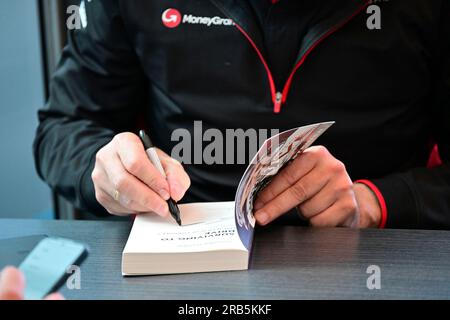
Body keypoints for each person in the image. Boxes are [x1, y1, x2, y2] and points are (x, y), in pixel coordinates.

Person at [34, 0, 450, 229]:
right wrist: (106, 169)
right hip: (181, 242)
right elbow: (63, 126)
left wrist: (375, 203)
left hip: (371, 254)